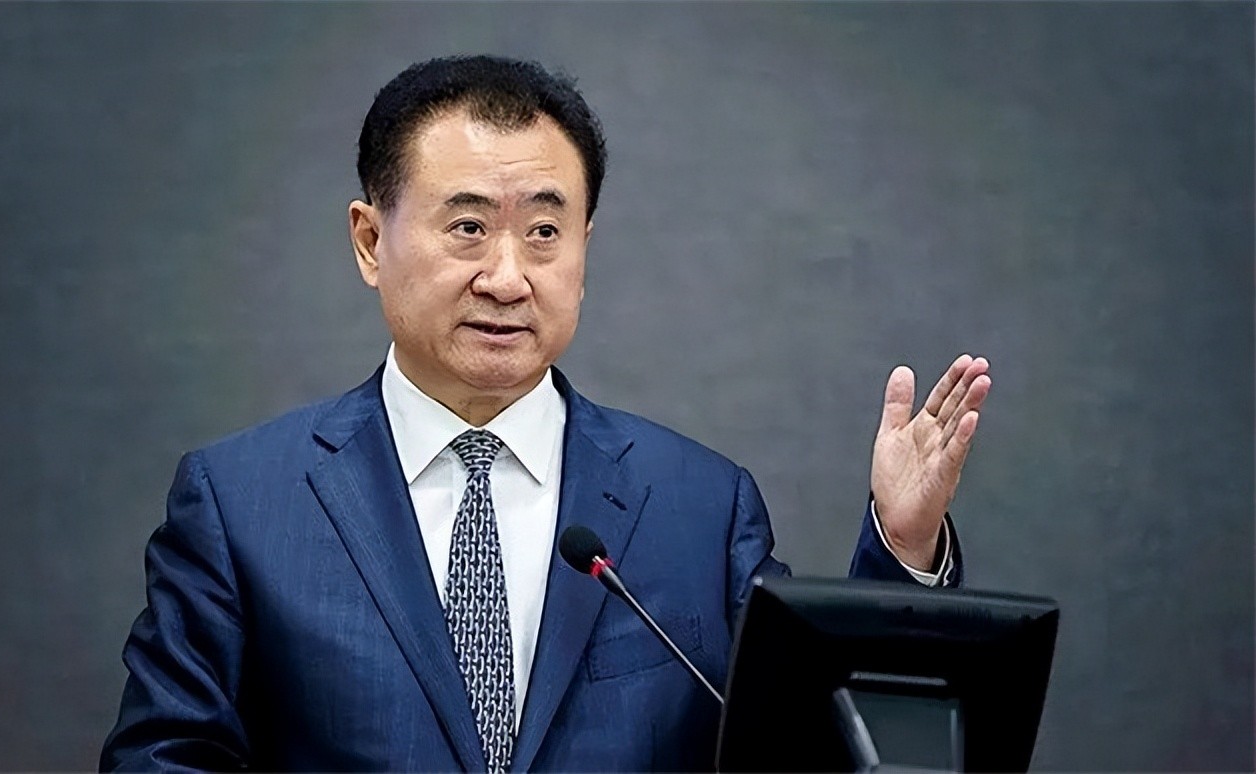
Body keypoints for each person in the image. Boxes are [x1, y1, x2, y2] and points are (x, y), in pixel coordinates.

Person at [100, 54, 991, 772]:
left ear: (584, 248)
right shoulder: (242, 503)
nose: (507, 277)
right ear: (371, 241)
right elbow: (165, 758)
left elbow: (815, 752)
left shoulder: (700, 505)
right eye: (467, 227)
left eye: (544, 232)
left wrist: (903, 548)